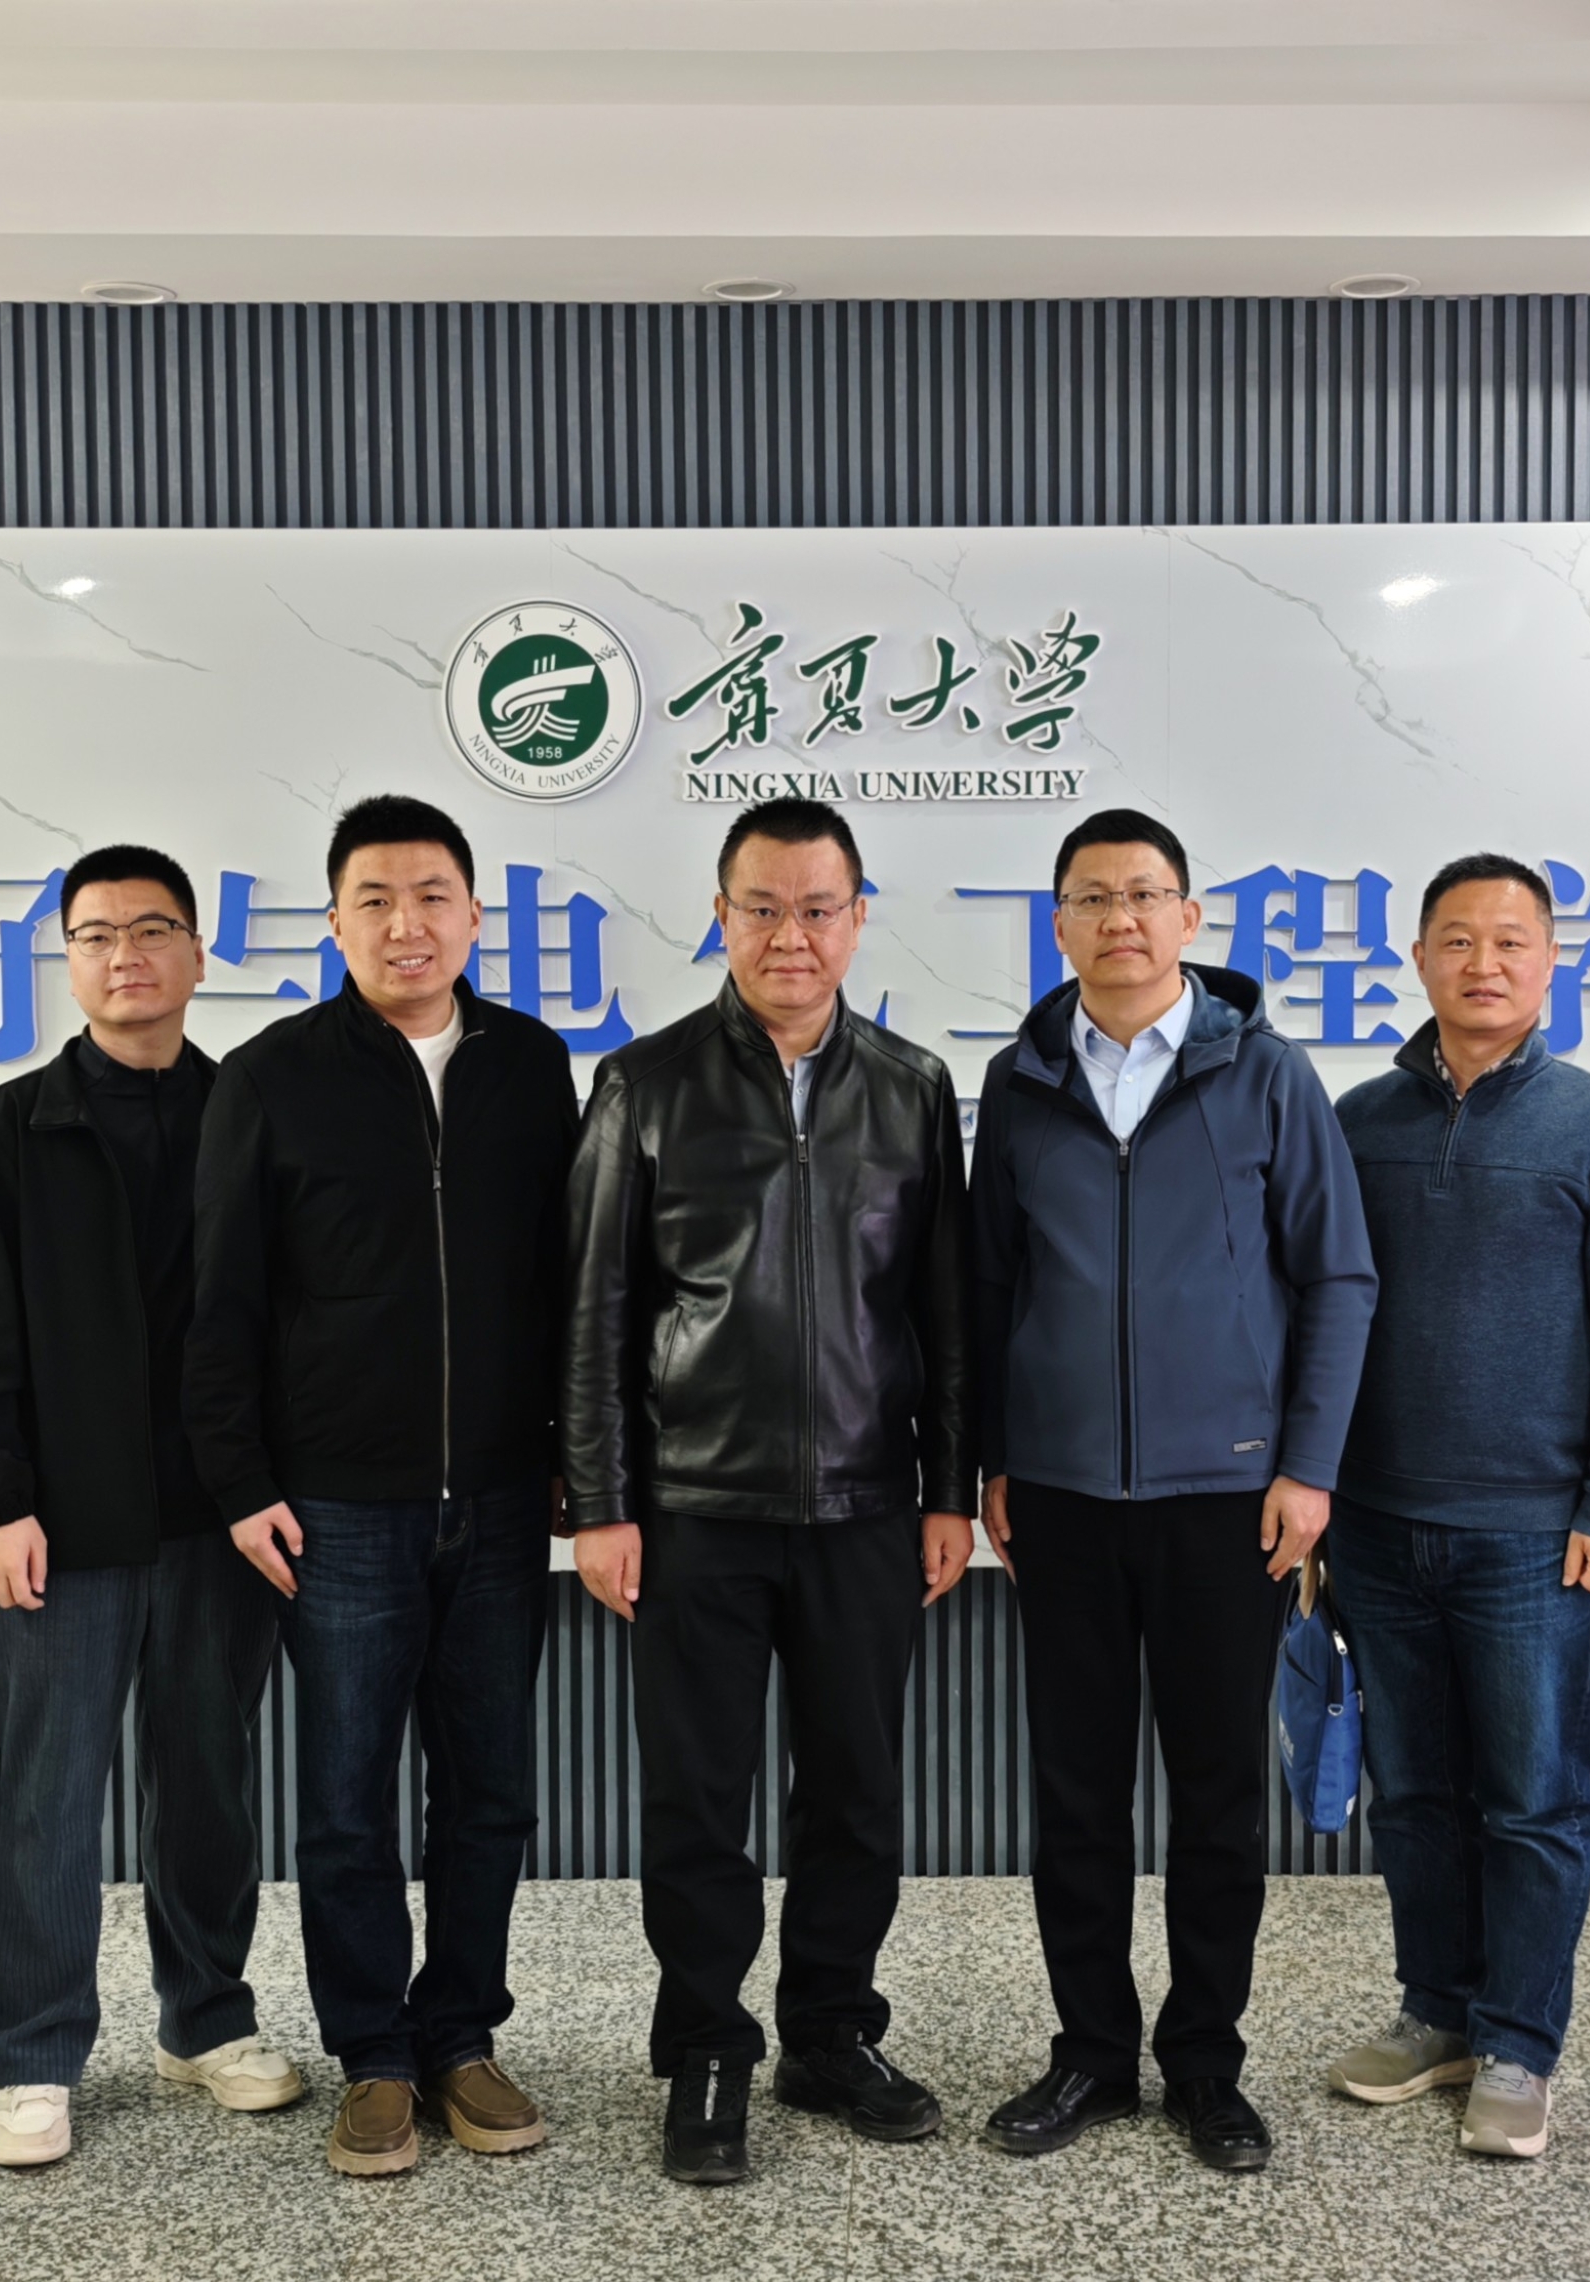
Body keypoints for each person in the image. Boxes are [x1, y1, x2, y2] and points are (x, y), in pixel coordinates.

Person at [560, 796, 976, 2187]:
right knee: (698, 1798)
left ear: (857, 917)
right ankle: (705, 2046)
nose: (790, 935)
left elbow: (944, 1310)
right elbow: (595, 1312)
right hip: (695, 1507)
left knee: (855, 1791)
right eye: (762, 907)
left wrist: (947, 1485)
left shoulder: (912, 1086)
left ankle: (830, 2031)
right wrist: (601, 1501)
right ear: (720, 915)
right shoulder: (645, 1082)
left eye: (817, 908)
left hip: (865, 1502)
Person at [965, 808, 1377, 2174]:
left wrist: (1308, 1465)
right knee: (1075, 1791)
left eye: (1146, 894)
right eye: (1094, 898)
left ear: (1190, 918)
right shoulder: (1021, 1081)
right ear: (1060, 925)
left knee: (1215, 1795)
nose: (1122, 919)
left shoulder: (1266, 1073)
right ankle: (1090, 2049)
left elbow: (1337, 1275)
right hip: (1064, 1495)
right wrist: (995, 1458)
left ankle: (1205, 2060)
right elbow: (988, 1284)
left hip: (1228, 1495)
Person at [188, 797, 580, 2176]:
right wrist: (240, 1480)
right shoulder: (271, 1076)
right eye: (374, 898)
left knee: (489, 1789)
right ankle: (374, 2052)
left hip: (503, 1496)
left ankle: (461, 2033)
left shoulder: (532, 1064)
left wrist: (576, 1460)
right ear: (335, 919)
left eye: (430, 896)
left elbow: (567, 1278)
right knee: (347, 1797)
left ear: (474, 914)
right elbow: (222, 1298)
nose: (405, 923)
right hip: (338, 1504)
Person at [0, 847, 303, 2172]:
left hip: (220, 1520)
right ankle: (34, 2051)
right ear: (67, 961)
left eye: (153, 929)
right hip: (59, 1525)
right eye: (96, 935)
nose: (126, 955)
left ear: (199, 953)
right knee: (46, 1792)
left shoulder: (251, 1113)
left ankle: (207, 2018)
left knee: (208, 1779)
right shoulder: (10, 1129)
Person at [1321, 855, 1590, 2163]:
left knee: (1532, 1796)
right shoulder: (1356, 1120)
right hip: (1374, 1521)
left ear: (1549, 962)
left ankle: (1521, 2040)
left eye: (1511, 941)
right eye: (1458, 939)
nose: (1484, 963)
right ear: (1418, 956)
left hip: (1533, 1530)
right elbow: (1314, 1309)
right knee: (1414, 1791)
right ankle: (1438, 2010)